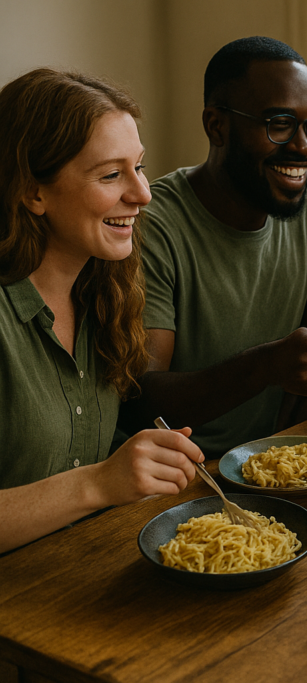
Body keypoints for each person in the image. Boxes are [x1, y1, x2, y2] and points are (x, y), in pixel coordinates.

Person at [122, 37, 307, 457]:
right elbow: (142, 401)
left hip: (269, 464)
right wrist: (265, 366)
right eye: (280, 124)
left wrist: (278, 454)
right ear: (216, 125)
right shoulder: (154, 226)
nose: (304, 145)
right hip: (179, 473)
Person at [0, 69, 204, 553]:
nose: (142, 194)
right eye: (111, 175)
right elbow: (86, 480)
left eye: (140, 166)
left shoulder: (104, 293)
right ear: (34, 192)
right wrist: (98, 484)